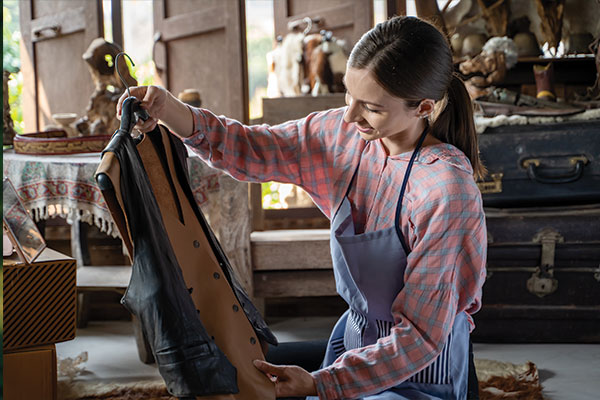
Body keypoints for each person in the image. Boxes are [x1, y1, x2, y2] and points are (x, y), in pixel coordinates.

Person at [117, 15, 487, 400]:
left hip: (421, 370)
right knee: (228, 370)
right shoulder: (344, 136)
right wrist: (169, 108)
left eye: (371, 108)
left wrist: (323, 383)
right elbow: (250, 147)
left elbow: (421, 337)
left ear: (423, 107)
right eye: (348, 95)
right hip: (355, 344)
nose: (349, 116)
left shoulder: (445, 191)